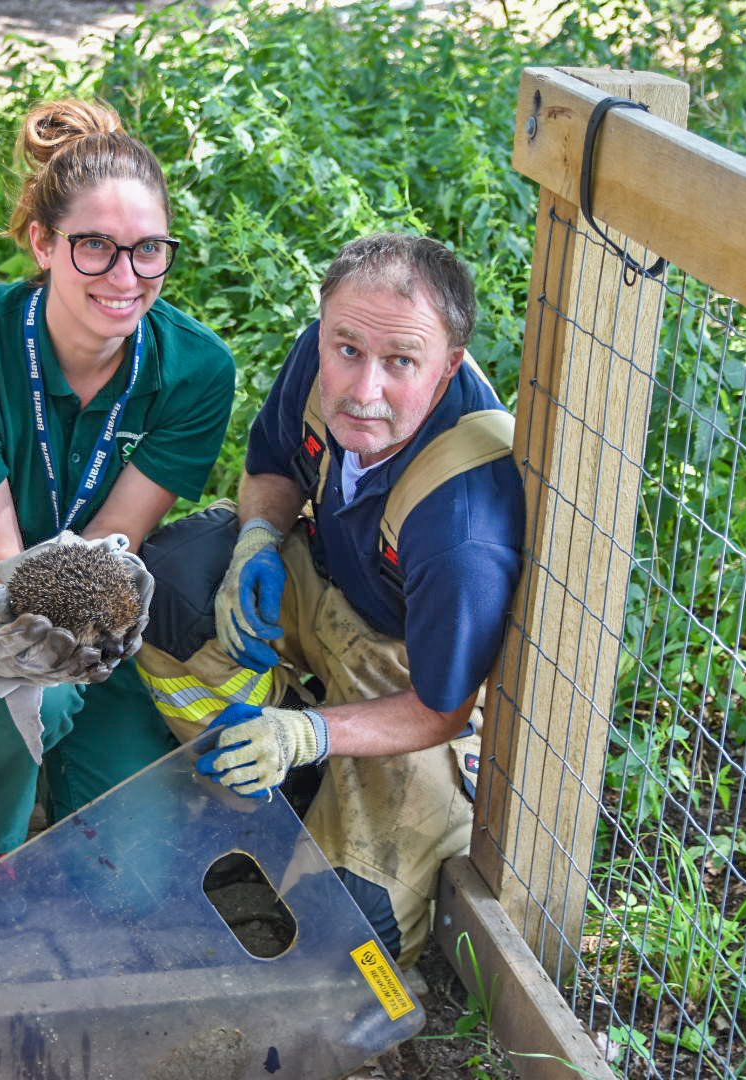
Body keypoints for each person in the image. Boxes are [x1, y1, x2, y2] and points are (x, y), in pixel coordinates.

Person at [136, 233, 525, 967]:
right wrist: (255, 538)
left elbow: (441, 707)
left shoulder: (464, 525)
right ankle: (263, 800)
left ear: (447, 368)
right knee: (176, 589)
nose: (362, 388)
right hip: (330, 593)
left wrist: (302, 733)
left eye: (400, 362)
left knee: (345, 932)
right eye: (346, 349)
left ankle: (309, 760)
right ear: (325, 327)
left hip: (417, 690)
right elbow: (272, 467)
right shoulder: (324, 354)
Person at [0, 99, 235, 876]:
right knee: (30, 687)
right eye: (95, 247)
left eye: (148, 250)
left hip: (98, 627)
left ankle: (52, 760)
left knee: (129, 884)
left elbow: (106, 551)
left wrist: (98, 624)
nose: (125, 279)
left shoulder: (196, 369)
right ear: (43, 243)